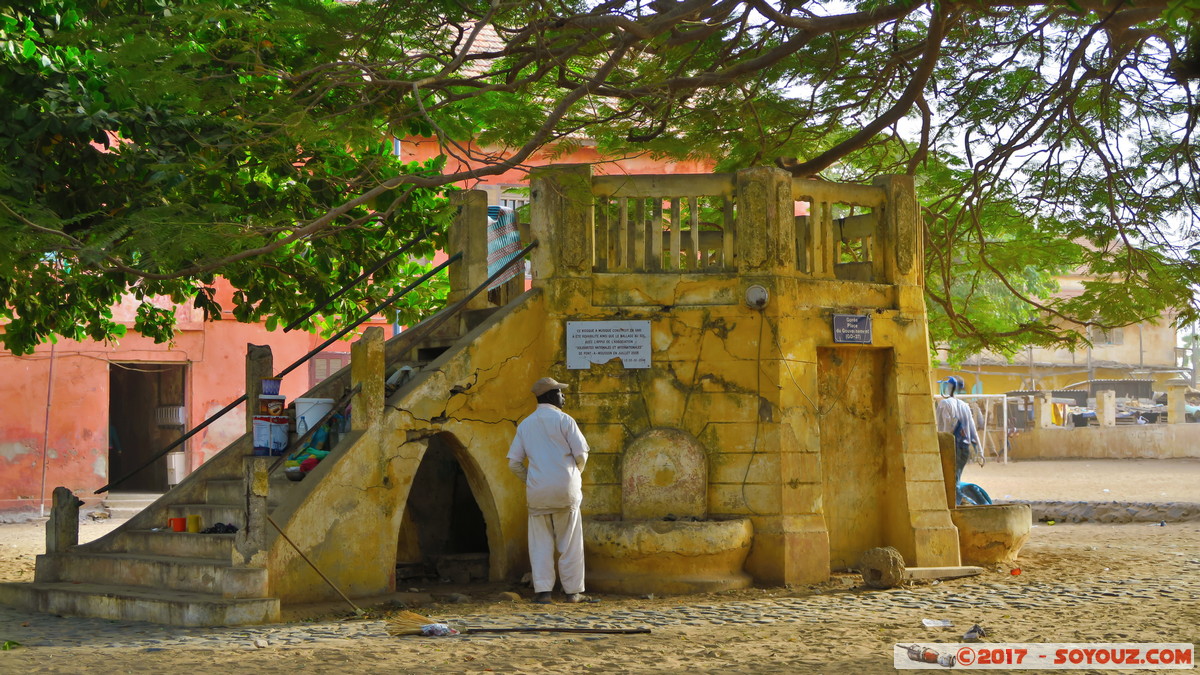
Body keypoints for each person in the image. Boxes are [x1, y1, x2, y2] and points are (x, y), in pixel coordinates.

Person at [507, 376, 591, 604]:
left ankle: (543, 593)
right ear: (552, 395)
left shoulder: (525, 425)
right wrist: (573, 475)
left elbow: (514, 463)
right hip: (566, 489)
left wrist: (531, 479)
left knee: (540, 543)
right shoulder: (565, 421)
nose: (563, 396)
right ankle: (572, 592)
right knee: (570, 542)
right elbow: (581, 454)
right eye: (560, 393)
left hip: (538, 492)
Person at [936, 376, 981, 504]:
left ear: (949, 387)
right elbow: (973, 431)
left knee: (951, 481)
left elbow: (943, 429)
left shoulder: (944, 404)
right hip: (964, 449)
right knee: (955, 478)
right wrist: (979, 451)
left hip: (951, 448)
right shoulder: (965, 406)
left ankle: (961, 505)